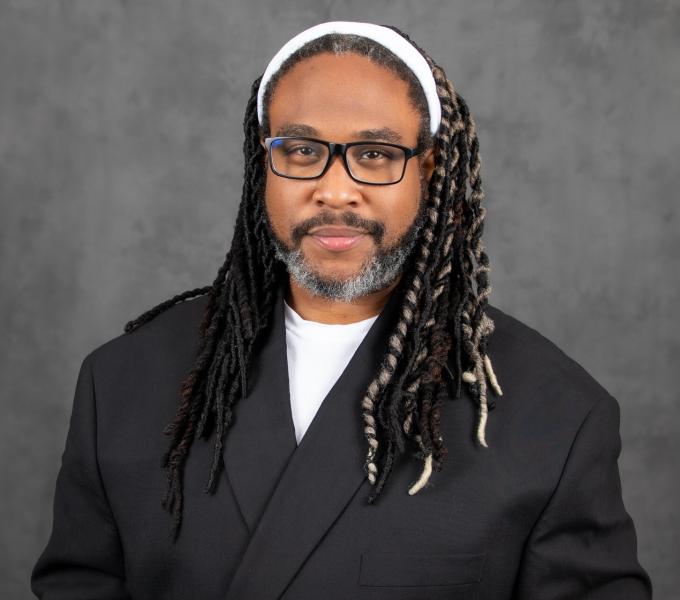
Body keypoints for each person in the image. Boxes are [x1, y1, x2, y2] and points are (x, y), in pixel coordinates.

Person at [31, 21, 653, 600]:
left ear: (429, 169)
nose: (334, 188)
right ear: (263, 165)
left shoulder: (558, 415)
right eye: (301, 151)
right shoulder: (120, 385)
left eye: (376, 154)